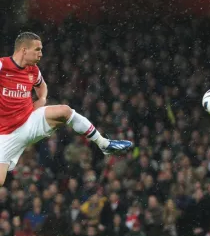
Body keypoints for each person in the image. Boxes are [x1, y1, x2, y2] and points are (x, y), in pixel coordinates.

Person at [0, 32, 132, 186]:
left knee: (65, 111)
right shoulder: (3, 66)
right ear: (24, 50)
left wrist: (41, 101)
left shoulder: (33, 70)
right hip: (5, 135)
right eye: (37, 49)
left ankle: (104, 144)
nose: (41, 54)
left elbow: (42, 88)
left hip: (28, 122)